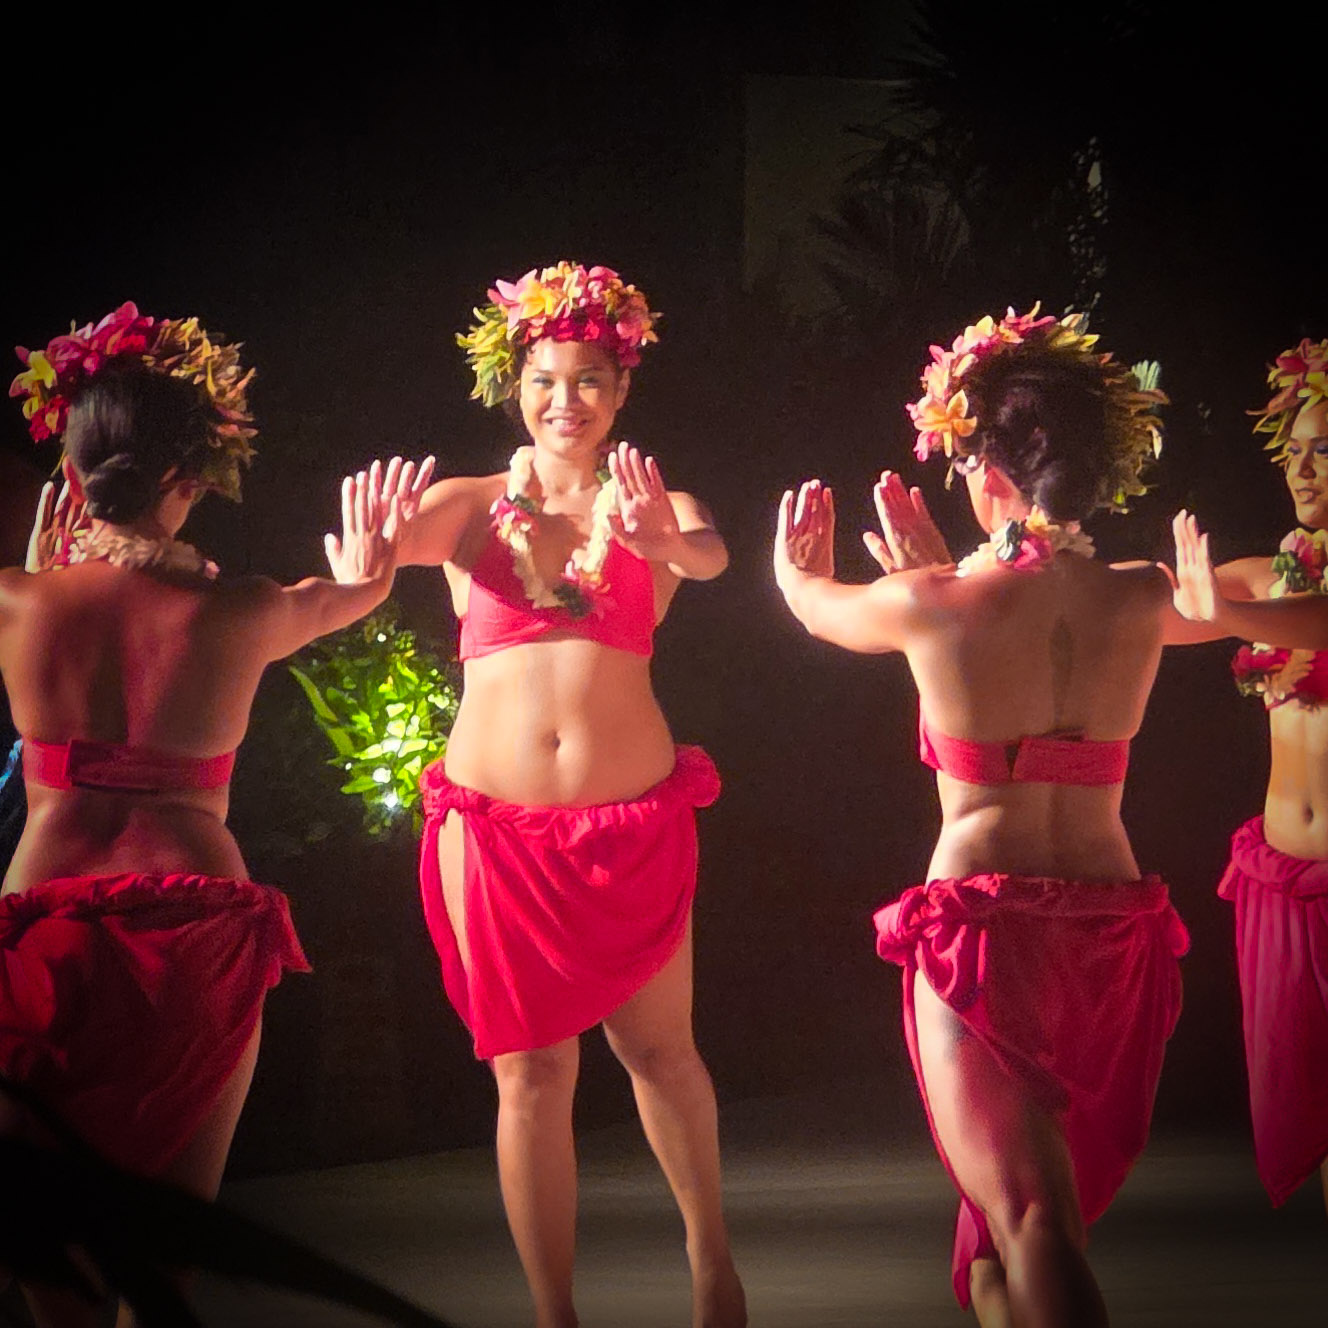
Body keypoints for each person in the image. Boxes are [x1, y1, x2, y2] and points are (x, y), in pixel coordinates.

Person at [0, 302, 424, 1328]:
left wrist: (45, 572)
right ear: (186, 478)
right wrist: (370, 569)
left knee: (51, 1251)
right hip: (197, 923)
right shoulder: (244, 609)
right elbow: (352, 595)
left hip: (43, 921)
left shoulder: (16, 602)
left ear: (74, 472)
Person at [775, 305, 1200, 1328]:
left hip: (987, 929)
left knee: (1031, 1220)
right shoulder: (1146, 595)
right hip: (1111, 933)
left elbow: (814, 604)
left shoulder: (932, 602)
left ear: (995, 474)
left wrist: (795, 569)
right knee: (1012, 1253)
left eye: (968, 460)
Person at [397, 262, 745, 1328]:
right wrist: (368, 541)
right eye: (545, 380)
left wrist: (659, 544)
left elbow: (710, 555)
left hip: (628, 827)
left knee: (659, 1051)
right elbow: (384, 550)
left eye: (590, 379)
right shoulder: (469, 508)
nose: (566, 401)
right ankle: (554, 1314)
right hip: (496, 834)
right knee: (531, 1075)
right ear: (516, 387)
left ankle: (711, 1265)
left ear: (621, 388)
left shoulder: (655, 507)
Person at [1167, 337, 1328, 1217]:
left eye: (1323, 450)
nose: (1301, 469)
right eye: (1293, 451)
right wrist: (1030, 564)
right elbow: (1145, 608)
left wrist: (1227, 612)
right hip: (1282, 884)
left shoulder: (1266, 600)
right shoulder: (1267, 578)